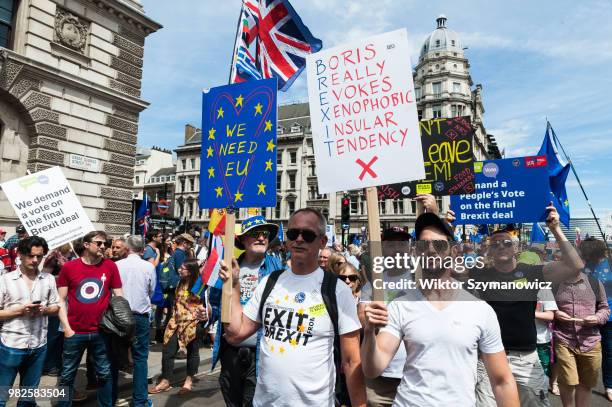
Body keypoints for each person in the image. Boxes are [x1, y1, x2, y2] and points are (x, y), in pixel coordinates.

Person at [361, 213, 520, 407]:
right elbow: (372, 369)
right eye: (423, 245)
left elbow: (502, 381)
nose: (430, 250)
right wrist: (369, 333)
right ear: (415, 253)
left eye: (439, 245)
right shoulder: (401, 305)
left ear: (453, 252)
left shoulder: (480, 310)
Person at [220, 208, 367, 406]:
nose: (299, 239)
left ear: (322, 242)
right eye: (292, 233)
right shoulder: (270, 282)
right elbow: (235, 333)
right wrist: (234, 284)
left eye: (307, 235)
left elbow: (351, 362)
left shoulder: (337, 291)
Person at [456, 203, 585, 407]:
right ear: (489, 249)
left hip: (526, 358)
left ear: (516, 248)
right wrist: (445, 225)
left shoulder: (532, 272)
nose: (501, 246)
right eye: (495, 244)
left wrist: (556, 229)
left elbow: (576, 265)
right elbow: (443, 269)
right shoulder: (480, 273)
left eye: (506, 243)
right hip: (488, 359)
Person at [208, 216, 284, 407]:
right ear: (242, 240)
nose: (261, 238)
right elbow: (216, 304)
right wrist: (207, 315)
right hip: (231, 352)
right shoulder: (229, 265)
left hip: (262, 354)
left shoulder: (278, 270)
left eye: (265, 234)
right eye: (255, 234)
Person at [57, 231, 123, 407]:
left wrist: (120, 322)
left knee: (104, 373)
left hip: (101, 331)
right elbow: (60, 300)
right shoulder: (69, 267)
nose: (104, 247)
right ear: (86, 245)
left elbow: (119, 297)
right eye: (99, 243)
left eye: (105, 243)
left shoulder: (110, 266)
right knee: (67, 375)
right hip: (75, 331)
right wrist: (67, 328)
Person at [0, 236, 59, 407]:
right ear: (20, 254)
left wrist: (45, 310)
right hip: (11, 345)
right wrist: (19, 311)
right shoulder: (5, 280)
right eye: (31, 256)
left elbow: (56, 307)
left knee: (28, 399)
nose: (35, 260)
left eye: (39, 256)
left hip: (38, 345)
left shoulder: (48, 279)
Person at [358, 226, 412, 407]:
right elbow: (363, 317)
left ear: (410, 248)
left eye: (402, 244)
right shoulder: (373, 285)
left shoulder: (422, 282)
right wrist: (371, 318)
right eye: (391, 244)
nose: (397, 249)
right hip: (379, 377)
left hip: (413, 373)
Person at [149, 259, 206, 395]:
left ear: (191, 271)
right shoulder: (180, 282)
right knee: (168, 350)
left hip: (193, 323)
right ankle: (165, 381)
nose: (179, 270)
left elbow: (204, 304)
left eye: (183, 268)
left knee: (192, 352)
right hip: (175, 322)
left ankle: (189, 381)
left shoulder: (200, 285)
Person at [553, 268, 609, 406]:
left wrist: (596, 317)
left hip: (590, 340)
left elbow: (605, 308)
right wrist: (556, 313)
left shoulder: (594, 283)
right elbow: (546, 307)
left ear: (582, 262)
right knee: (568, 381)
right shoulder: (555, 283)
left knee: (586, 383)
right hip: (564, 339)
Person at [115, 235, 156, 407]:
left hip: (119, 315)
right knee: (140, 359)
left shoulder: (116, 265)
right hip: (139, 316)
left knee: (115, 358)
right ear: (142, 250)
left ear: (126, 247)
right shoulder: (148, 266)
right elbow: (151, 290)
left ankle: (110, 398)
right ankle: (140, 401)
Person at [579, 237, 612, 400]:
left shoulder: (610, 261)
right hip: (586, 315)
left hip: (609, 314)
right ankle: (580, 382)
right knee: (584, 350)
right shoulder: (583, 265)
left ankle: (609, 385)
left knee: (609, 352)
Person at [41, 243, 75, 377]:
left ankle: (56, 363)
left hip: (67, 300)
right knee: (53, 334)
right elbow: (44, 277)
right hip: (55, 299)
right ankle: (49, 365)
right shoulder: (53, 257)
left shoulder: (72, 256)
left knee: (61, 335)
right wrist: (62, 279)